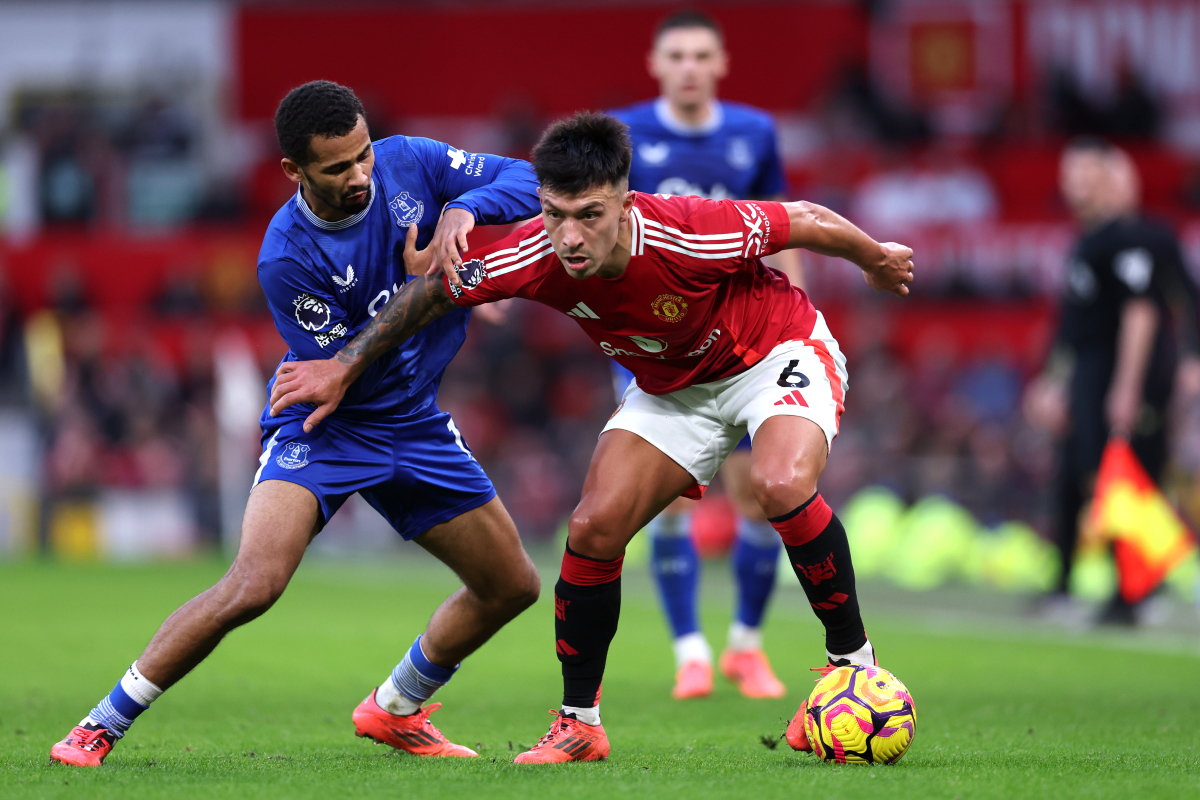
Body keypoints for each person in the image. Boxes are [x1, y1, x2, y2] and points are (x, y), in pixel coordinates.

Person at [269, 112, 914, 763]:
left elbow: (806, 218)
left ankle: (854, 669)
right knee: (593, 529)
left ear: (626, 203)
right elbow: (434, 294)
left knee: (778, 485)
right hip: (672, 389)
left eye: (589, 215)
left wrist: (876, 259)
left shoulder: (690, 229)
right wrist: (344, 363)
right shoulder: (536, 251)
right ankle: (579, 725)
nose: (569, 237)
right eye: (554, 214)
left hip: (773, 353)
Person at [49, 81, 544, 767]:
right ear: (294, 171)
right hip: (327, 428)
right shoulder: (286, 256)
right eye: (337, 168)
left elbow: (531, 180)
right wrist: (429, 290)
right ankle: (100, 724)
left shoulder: (411, 161)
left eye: (363, 154)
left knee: (514, 585)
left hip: (415, 426)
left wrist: (464, 208)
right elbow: (342, 374)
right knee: (254, 584)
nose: (361, 175)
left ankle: (396, 706)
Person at [606, 9, 804, 701]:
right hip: (655, 344)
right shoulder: (624, 136)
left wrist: (797, 323)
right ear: (656, 65)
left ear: (721, 64)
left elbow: (785, 228)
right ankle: (690, 650)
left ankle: (745, 648)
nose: (689, 67)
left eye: (701, 56)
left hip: (748, 338)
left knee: (759, 497)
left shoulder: (754, 133)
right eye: (677, 56)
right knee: (672, 504)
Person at [1026, 138, 1199, 625]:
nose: (1072, 182)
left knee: (1126, 477)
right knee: (1082, 474)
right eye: (1068, 172)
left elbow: (1147, 311)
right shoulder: (1086, 240)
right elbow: (1073, 325)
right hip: (1090, 372)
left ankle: (1138, 590)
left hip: (1124, 375)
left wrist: (1134, 382)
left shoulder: (1139, 238)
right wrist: (1055, 381)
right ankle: (1078, 584)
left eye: (1084, 172)